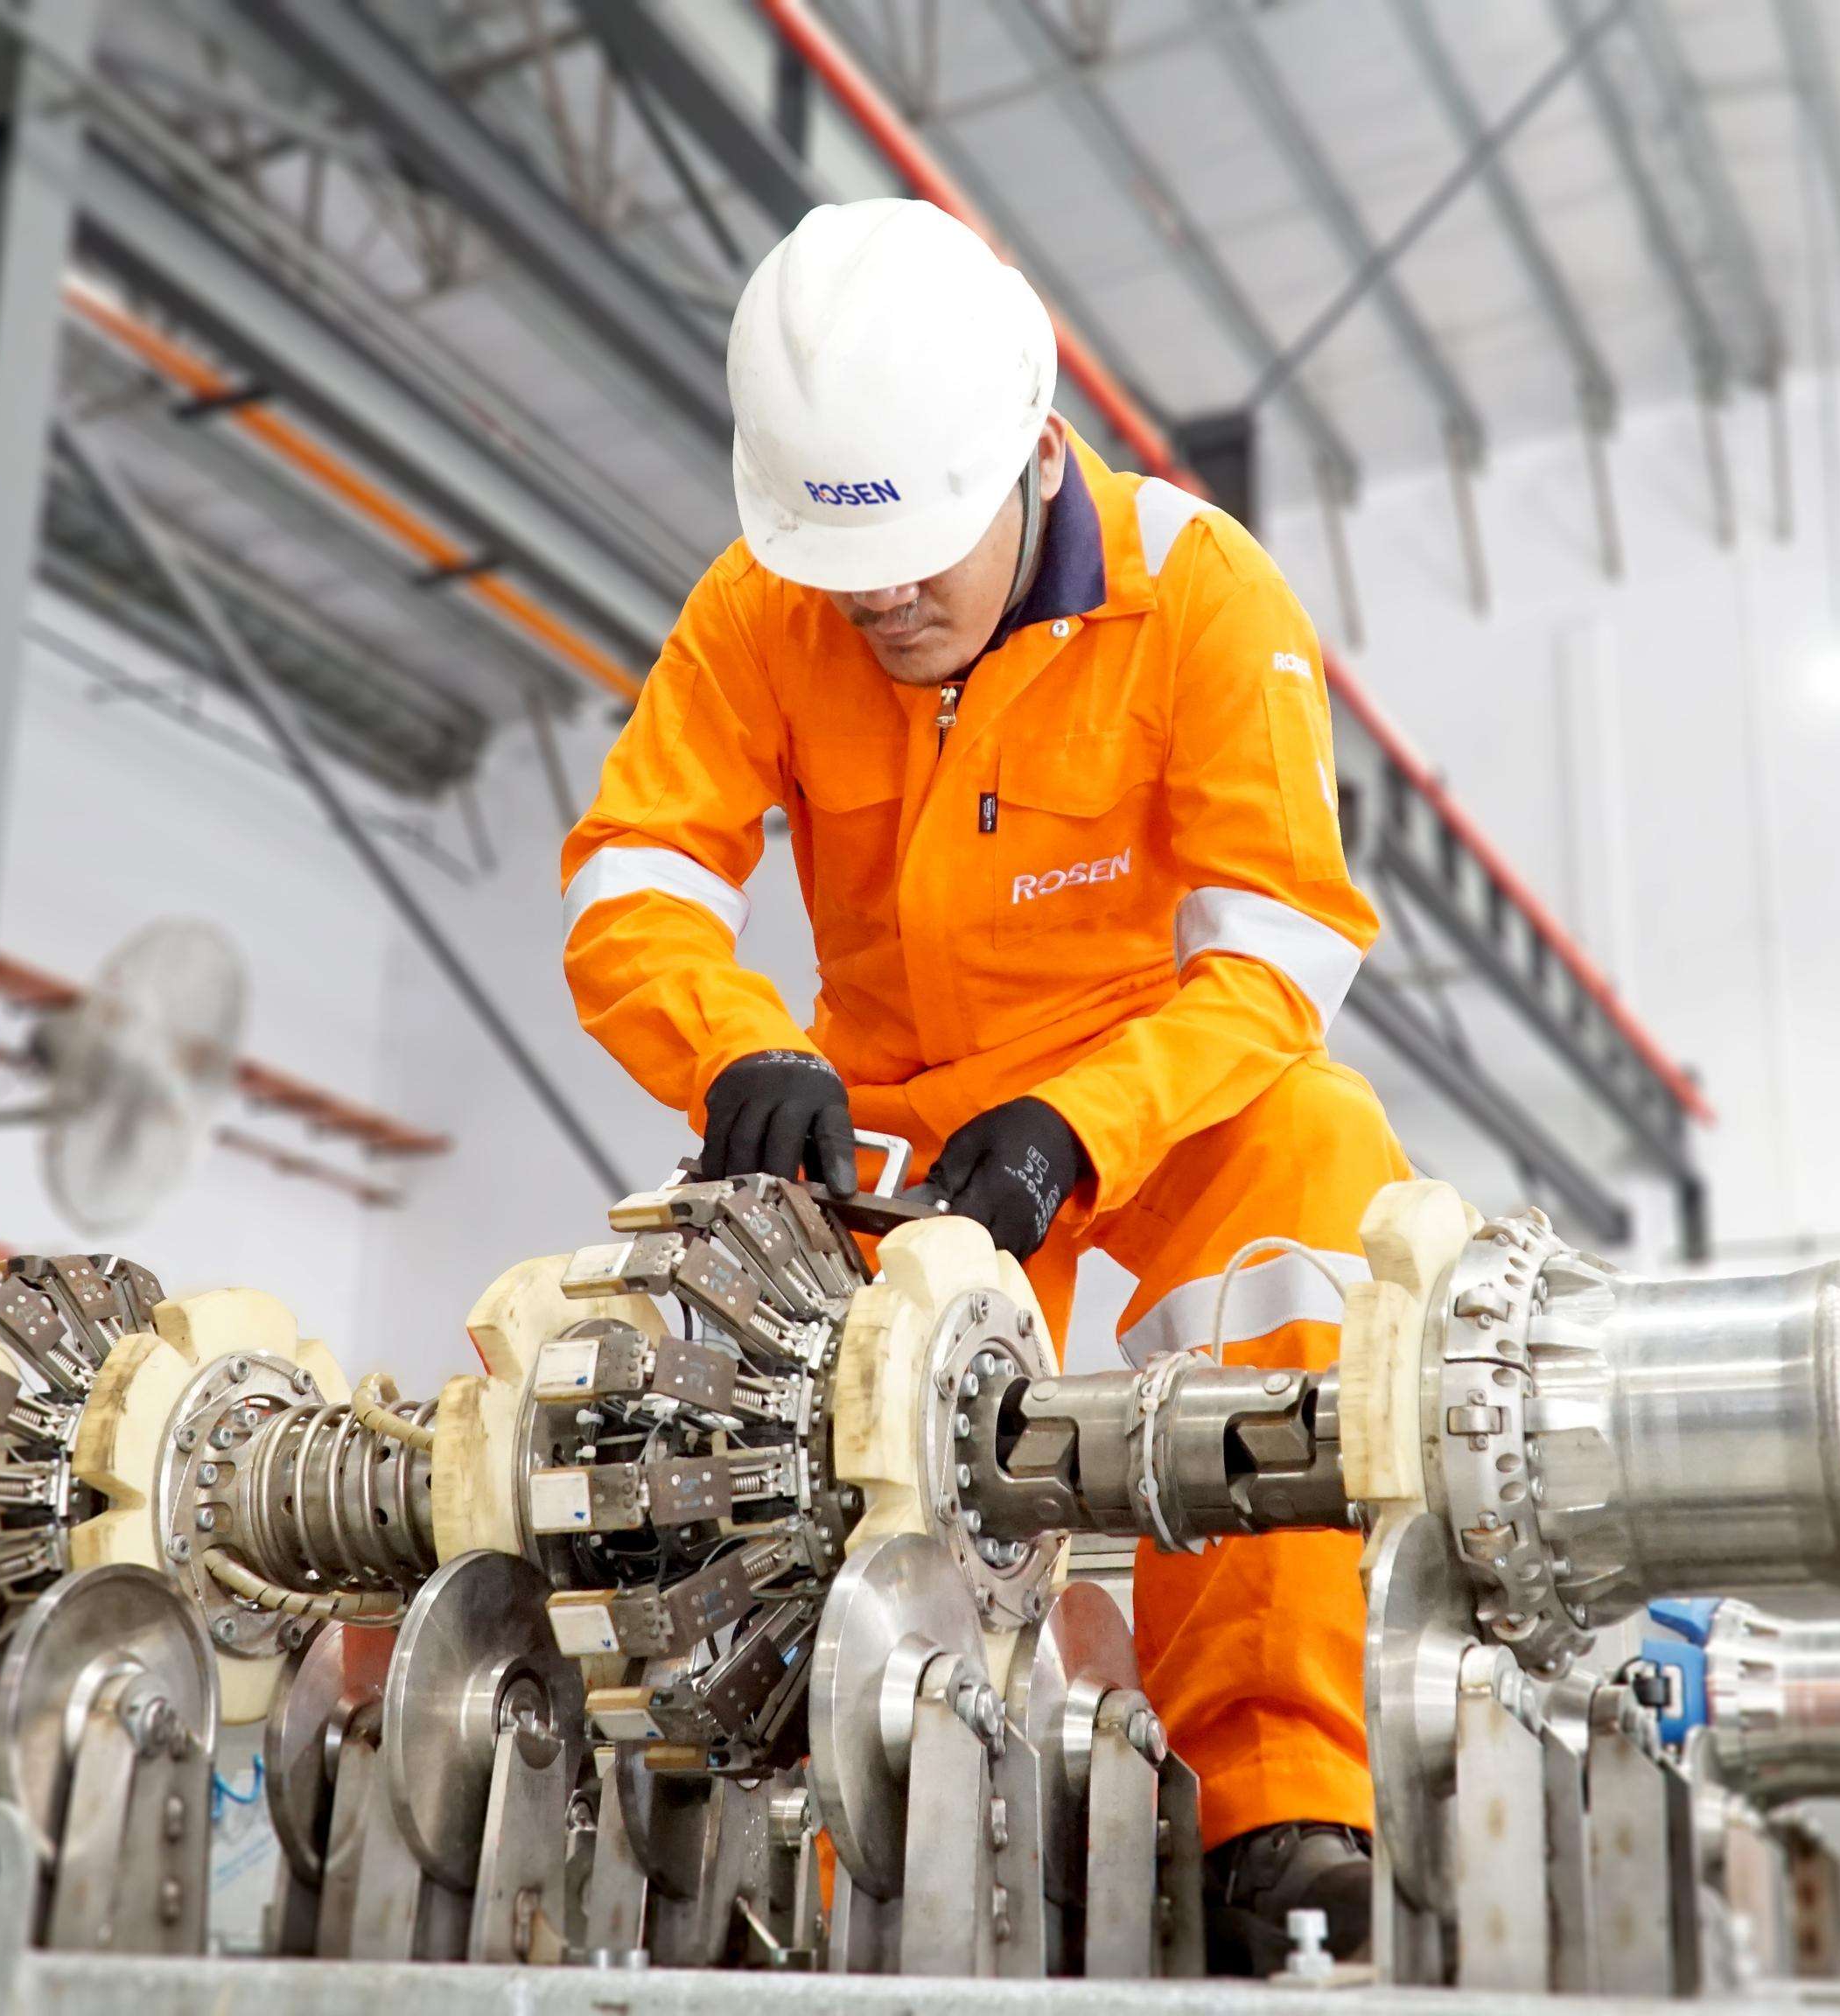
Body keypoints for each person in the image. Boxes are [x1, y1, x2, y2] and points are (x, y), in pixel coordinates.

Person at [561, 197, 1409, 1972]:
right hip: (892, 1121)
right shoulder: (762, 607)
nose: (877, 602)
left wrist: (1086, 1123)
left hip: (1151, 1094)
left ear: (1034, 457)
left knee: (1313, 1165)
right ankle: (814, 1819)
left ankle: (1282, 1810)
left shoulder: (1199, 595)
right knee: (793, 1417)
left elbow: (1284, 953)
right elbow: (635, 879)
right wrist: (740, 1053)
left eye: (917, 559)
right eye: (841, 569)